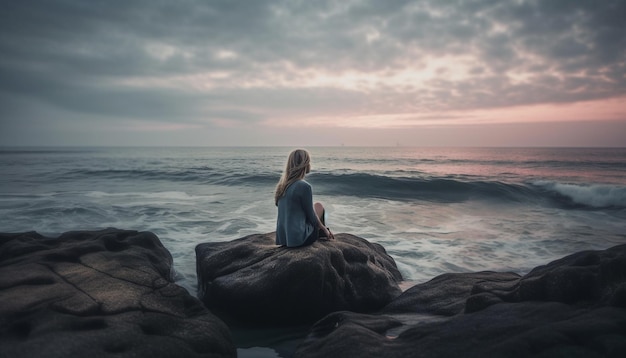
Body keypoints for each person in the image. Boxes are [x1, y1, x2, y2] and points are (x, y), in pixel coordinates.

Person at [275, 149, 335, 247]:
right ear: (304, 164)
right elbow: (311, 217)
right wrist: (324, 228)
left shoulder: (282, 186)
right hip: (300, 239)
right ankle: (323, 233)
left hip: (284, 239)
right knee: (319, 207)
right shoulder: (304, 186)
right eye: (308, 162)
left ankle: (322, 231)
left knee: (316, 205)